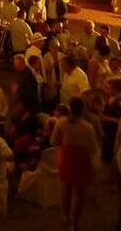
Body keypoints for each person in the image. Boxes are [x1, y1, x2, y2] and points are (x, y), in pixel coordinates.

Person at [52, 97, 99, 231]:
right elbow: (93, 147)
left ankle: (67, 217)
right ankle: (75, 222)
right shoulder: (87, 127)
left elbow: (54, 141)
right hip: (81, 158)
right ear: (83, 110)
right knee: (78, 192)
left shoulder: (61, 124)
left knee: (65, 188)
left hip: (66, 156)